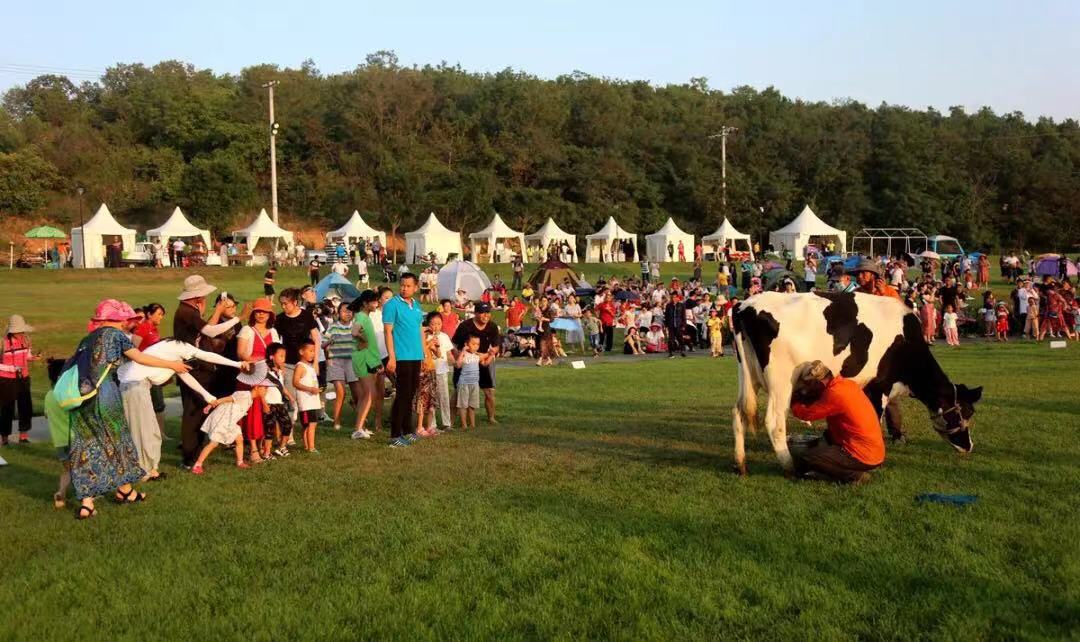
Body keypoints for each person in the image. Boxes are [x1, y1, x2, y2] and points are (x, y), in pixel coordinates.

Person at [68, 300, 191, 519]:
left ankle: (91, 502)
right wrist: (172, 365)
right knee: (118, 442)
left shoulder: (87, 339)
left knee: (86, 445)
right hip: (104, 394)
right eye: (126, 319)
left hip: (80, 396)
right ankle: (124, 490)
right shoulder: (114, 336)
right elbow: (140, 358)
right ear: (117, 319)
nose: (128, 323)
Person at [119, 338, 245, 481]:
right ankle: (145, 472)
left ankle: (149, 470)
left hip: (135, 388)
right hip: (135, 388)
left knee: (150, 432)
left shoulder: (169, 353)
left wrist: (208, 396)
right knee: (146, 432)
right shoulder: (181, 347)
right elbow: (207, 355)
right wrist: (237, 364)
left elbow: (186, 377)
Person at [172, 275, 241, 468]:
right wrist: (238, 317)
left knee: (200, 411)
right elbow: (210, 331)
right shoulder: (187, 312)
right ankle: (189, 456)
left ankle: (194, 452)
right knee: (193, 413)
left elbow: (206, 331)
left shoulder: (189, 311)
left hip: (200, 368)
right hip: (194, 369)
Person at [789, 361, 885, 484]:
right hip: (874, 450)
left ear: (819, 382)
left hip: (862, 454)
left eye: (810, 384)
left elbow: (806, 414)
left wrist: (794, 401)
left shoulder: (835, 394)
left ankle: (854, 476)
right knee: (826, 437)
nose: (808, 388)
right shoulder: (847, 384)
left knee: (807, 457)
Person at [383, 273, 425, 447]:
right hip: (401, 356)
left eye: (408, 286)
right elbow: (388, 332)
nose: (404, 288)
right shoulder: (392, 305)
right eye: (402, 285)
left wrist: (424, 355)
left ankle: (407, 430)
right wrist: (392, 357)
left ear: (415, 287)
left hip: (416, 356)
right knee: (402, 394)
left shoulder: (416, 305)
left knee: (411, 394)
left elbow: (420, 330)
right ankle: (395, 434)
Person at [275, 288, 320, 427]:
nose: (283, 306)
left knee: (306, 398)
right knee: (291, 398)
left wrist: (316, 361)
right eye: (281, 304)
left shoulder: (306, 316)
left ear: (295, 302)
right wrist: (279, 364)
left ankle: (307, 427)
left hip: (305, 364)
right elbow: (277, 342)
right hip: (288, 364)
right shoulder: (280, 319)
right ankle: (290, 433)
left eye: (285, 303)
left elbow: (316, 338)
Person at [451, 302, 502, 423]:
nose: (486, 315)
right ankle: (450, 422)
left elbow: (496, 347)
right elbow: (453, 344)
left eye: (488, 312)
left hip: (483, 361)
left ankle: (491, 418)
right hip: (466, 363)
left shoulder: (492, 327)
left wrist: (487, 355)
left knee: (489, 391)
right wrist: (459, 356)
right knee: (458, 392)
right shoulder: (465, 326)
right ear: (476, 313)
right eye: (483, 313)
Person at [191, 391, 257, 474]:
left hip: (230, 422)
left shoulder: (250, 399)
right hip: (222, 420)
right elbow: (226, 399)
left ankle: (240, 462)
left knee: (239, 439)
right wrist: (210, 405)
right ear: (257, 387)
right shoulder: (244, 394)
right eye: (264, 389)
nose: (265, 392)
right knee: (213, 443)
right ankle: (197, 465)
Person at [1, 315, 40, 446]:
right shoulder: (2, 343)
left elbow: (27, 355)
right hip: (7, 380)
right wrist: (12, 368)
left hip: (23, 378)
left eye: (22, 330)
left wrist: (33, 357)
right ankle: (4, 438)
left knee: (25, 407)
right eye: (19, 331)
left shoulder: (26, 340)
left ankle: (23, 436)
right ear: (12, 331)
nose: (21, 333)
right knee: (7, 408)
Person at [348, 290, 381, 439]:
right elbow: (354, 332)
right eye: (373, 301)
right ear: (365, 303)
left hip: (369, 358)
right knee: (369, 393)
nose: (376, 304)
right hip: (364, 358)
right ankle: (358, 429)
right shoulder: (361, 316)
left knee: (366, 394)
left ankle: (360, 426)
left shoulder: (365, 316)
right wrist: (363, 340)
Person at [324, 302, 359, 430]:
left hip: (352, 362)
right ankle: (336, 422)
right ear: (338, 313)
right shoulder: (333, 327)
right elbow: (322, 344)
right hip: (336, 362)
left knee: (357, 393)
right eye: (344, 311)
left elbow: (362, 343)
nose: (347, 313)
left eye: (350, 311)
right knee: (341, 392)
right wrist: (328, 342)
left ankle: (360, 419)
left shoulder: (355, 326)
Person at [425, 311, 455, 433]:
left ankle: (446, 423)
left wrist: (455, 362)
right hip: (429, 371)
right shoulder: (425, 337)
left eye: (438, 323)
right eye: (433, 324)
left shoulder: (444, 336)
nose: (436, 326)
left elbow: (448, 353)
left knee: (444, 397)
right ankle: (432, 424)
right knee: (431, 398)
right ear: (428, 325)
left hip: (442, 371)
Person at [456, 335, 494, 430]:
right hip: (464, 384)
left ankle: (472, 424)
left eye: (477, 344)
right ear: (466, 344)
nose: (476, 346)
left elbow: (485, 364)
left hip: (474, 384)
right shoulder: (463, 354)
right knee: (463, 405)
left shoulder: (477, 355)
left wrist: (491, 355)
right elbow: (458, 365)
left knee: (472, 405)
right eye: (473, 344)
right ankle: (464, 425)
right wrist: (462, 353)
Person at [293, 339, 322, 453]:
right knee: (310, 424)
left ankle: (307, 446)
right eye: (310, 351)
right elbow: (295, 382)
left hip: (312, 401)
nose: (313, 353)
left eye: (314, 351)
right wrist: (310, 389)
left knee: (310, 424)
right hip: (306, 403)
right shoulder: (300, 366)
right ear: (301, 351)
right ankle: (311, 447)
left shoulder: (310, 367)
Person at [664, 294, 687, 358]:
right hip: (671, 325)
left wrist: (684, 325)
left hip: (679, 325)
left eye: (675, 297)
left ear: (678, 298)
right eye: (673, 297)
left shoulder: (681, 305)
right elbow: (666, 316)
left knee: (680, 339)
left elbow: (683, 316)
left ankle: (682, 351)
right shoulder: (668, 305)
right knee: (671, 339)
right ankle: (670, 353)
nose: (674, 298)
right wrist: (666, 325)